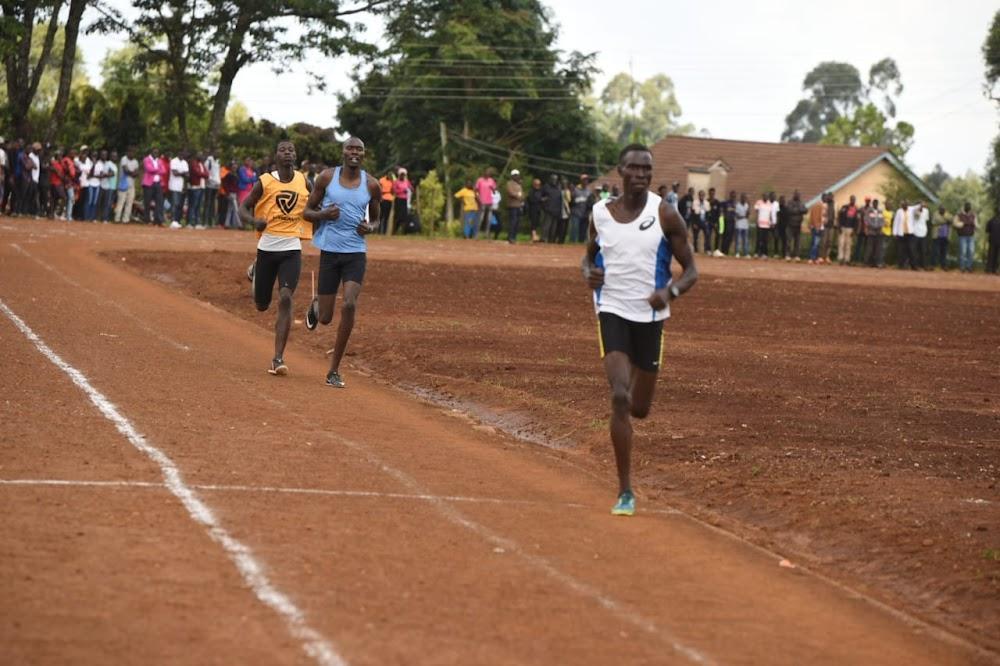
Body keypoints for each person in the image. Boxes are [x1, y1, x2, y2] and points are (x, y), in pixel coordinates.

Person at [581, 143, 697, 516]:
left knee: (640, 408)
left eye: (647, 169)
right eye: (634, 167)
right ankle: (625, 491)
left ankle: (633, 376)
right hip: (612, 309)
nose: (641, 174)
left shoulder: (665, 214)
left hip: (650, 318)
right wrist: (589, 273)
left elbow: (691, 270)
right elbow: (587, 258)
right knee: (619, 396)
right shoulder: (600, 213)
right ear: (620, 171)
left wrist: (670, 292)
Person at [302, 136, 380, 388]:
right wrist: (324, 214)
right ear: (343, 152)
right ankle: (317, 305)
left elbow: (377, 219)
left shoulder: (372, 184)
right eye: (350, 148)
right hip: (329, 251)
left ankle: (334, 370)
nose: (354, 152)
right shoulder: (326, 178)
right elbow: (307, 211)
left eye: (359, 149)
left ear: (363, 154)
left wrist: (370, 227)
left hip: (355, 253)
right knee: (325, 318)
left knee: (349, 304)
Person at [238, 140, 312, 375]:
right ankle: (257, 269)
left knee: (286, 298)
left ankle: (277, 358)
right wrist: (254, 221)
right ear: (276, 156)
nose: (287, 152)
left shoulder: (304, 181)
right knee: (262, 305)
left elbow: (315, 205)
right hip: (267, 248)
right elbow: (242, 208)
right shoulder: (265, 181)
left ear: (295, 156)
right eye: (283, 150)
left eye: (291, 150)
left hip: (291, 248)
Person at [141, 147, 165, 225]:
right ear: (151, 152)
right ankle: (147, 220)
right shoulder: (146, 159)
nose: (156, 154)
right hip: (148, 184)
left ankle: (158, 220)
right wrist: (158, 170)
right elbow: (149, 169)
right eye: (154, 152)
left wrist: (155, 170)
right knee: (147, 202)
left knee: (159, 202)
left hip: (158, 183)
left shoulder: (159, 160)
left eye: (157, 153)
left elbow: (164, 171)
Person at [115, 148, 139, 223]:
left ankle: (125, 220)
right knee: (120, 203)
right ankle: (117, 219)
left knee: (129, 203)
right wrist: (132, 173)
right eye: (130, 152)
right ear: (127, 152)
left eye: (133, 152)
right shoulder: (124, 159)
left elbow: (136, 173)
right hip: (123, 185)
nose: (132, 153)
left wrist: (131, 173)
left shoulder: (135, 161)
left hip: (131, 185)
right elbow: (125, 171)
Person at [837, 195, 860, 265]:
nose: (853, 201)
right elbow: (839, 216)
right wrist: (839, 227)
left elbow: (857, 221)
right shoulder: (844, 207)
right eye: (852, 199)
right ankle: (841, 258)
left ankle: (847, 259)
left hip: (850, 229)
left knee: (848, 245)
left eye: (854, 200)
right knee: (841, 243)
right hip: (843, 228)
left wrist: (855, 230)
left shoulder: (856, 209)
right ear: (850, 200)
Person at [168, 149, 189, 228]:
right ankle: (173, 221)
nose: (184, 154)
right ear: (179, 153)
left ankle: (177, 221)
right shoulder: (173, 161)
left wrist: (181, 173)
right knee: (175, 204)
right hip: (174, 186)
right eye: (182, 153)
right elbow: (175, 173)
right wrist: (183, 173)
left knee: (180, 205)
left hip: (182, 186)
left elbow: (187, 175)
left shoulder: (185, 162)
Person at [955, 202, 977, 273]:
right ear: (964, 207)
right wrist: (963, 223)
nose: (968, 207)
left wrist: (975, 226)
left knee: (971, 252)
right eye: (967, 206)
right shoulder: (959, 215)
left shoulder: (973, 215)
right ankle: (962, 267)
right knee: (963, 252)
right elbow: (955, 223)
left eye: (969, 206)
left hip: (971, 236)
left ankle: (969, 267)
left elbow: (976, 225)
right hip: (962, 236)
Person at [187, 151, 208, 228]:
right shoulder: (194, 163)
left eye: (202, 155)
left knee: (199, 206)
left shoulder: (202, 164)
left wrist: (204, 174)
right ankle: (190, 222)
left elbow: (207, 174)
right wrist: (204, 174)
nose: (202, 156)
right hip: (195, 187)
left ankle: (197, 223)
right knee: (193, 205)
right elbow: (197, 173)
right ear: (197, 156)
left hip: (202, 187)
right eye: (200, 155)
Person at [568, 174, 591, 244]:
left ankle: (580, 245)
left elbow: (590, 203)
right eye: (584, 180)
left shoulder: (588, 191)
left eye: (587, 180)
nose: (586, 181)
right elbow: (570, 201)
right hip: (575, 213)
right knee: (574, 230)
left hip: (584, 214)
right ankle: (572, 244)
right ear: (581, 181)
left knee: (583, 232)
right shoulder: (575, 190)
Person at [785, 190, 806, 261]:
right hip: (790, 225)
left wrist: (797, 210)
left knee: (797, 241)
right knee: (789, 241)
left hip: (798, 225)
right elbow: (789, 210)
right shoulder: (790, 202)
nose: (797, 196)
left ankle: (796, 255)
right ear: (794, 195)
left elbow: (805, 210)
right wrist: (799, 210)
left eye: (798, 195)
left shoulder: (801, 203)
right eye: (796, 194)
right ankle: (788, 255)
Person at [506, 169, 525, 244]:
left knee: (517, 222)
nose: (517, 177)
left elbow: (522, 194)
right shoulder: (509, 183)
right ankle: (510, 237)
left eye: (518, 175)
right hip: (512, 205)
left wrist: (522, 197)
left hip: (519, 205)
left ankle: (514, 237)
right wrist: (517, 195)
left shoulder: (519, 184)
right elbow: (510, 192)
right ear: (512, 176)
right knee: (513, 221)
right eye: (515, 175)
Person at [908, 201, 929, 270]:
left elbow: (926, 220)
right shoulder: (914, 210)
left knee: (924, 250)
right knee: (914, 250)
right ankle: (914, 266)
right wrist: (919, 210)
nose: (922, 206)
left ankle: (924, 265)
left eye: (923, 204)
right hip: (915, 232)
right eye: (921, 205)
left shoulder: (926, 211)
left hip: (923, 232)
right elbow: (916, 217)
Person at [864, 199, 885, 267]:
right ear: (872, 204)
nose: (875, 204)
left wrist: (879, 226)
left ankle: (876, 263)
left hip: (878, 232)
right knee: (869, 248)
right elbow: (866, 220)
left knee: (878, 249)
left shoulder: (880, 211)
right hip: (871, 232)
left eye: (876, 203)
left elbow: (882, 220)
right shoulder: (869, 211)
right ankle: (867, 262)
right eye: (874, 203)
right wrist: (873, 226)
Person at [892, 200, 912, 269]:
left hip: (908, 233)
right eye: (903, 205)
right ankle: (900, 264)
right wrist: (894, 233)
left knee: (907, 249)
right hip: (900, 233)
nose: (904, 206)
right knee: (900, 249)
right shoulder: (899, 211)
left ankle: (906, 264)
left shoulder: (910, 211)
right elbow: (896, 222)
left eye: (905, 205)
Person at [930, 205, 952, 270]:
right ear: (939, 209)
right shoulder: (935, 214)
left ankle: (944, 265)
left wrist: (944, 218)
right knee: (935, 251)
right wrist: (945, 221)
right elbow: (934, 221)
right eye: (941, 209)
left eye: (943, 209)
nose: (942, 210)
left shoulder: (948, 214)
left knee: (944, 252)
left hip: (945, 236)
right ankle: (933, 265)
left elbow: (951, 220)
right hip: (937, 236)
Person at [392, 167, 413, 233]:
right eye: (401, 175)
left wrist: (410, 189)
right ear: (399, 175)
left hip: (405, 200)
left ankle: (404, 231)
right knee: (398, 215)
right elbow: (394, 191)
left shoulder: (407, 182)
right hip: (398, 200)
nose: (402, 176)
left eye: (404, 175)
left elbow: (411, 188)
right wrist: (402, 191)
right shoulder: (396, 182)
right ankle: (394, 230)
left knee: (404, 216)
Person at [203, 147, 221, 226]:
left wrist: (219, 182)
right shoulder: (208, 161)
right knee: (207, 203)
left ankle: (211, 221)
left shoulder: (218, 161)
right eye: (217, 152)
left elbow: (218, 173)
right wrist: (212, 180)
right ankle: (205, 221)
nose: (218, 154)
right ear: (213, 153)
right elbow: (207, 172)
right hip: (209, 184)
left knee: (212, 204)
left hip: (216, 185)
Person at [807, 194, 826, 264]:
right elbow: (814, 217)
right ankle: (812, 258)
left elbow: (822, 217)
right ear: (822, 198)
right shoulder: (818, 205)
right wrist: (816, 226)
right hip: (817, 227)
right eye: (825, 197)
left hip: (821, 227)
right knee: (815, 243)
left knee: (817, 243)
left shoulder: (824, 206)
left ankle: (816, 258)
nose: (827, 199)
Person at [753, 192, 772, 258]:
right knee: (758, 239)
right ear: (762, 196)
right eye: (764, 196)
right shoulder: (759, 202)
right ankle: (756, 253)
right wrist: (756, 220)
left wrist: (771, 222)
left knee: (765, 240)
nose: (765, 197)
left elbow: (770, 214)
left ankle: (764, 253)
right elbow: (756, 212)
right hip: (760, 224)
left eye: (766, 196)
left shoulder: (770, 204)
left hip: (767, 225)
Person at [526, 177, 543, 242]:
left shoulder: (540, 191)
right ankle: (533, 236)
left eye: (539, 184)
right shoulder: (531, 191)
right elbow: (531, 200)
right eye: (536, 184)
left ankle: (534, 236)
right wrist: (540, 199)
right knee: (533, 222)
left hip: (538, 209)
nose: (538, 185)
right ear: (533, 184)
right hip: (532, 209)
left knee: (536, 223)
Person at [734, 192, 750, 258]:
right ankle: (737, 252)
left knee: (745, 240)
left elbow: (748, 215)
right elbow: (737, 216)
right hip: (739, 225)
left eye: (745, 198)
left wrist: (749, 207)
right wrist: (744, 216)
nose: (744, 199)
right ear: (741, 198)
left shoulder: (747, 205)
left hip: (745, 225)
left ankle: (746, 253)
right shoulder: (737, 205)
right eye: (743, 197)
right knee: (738, 240)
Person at [378, 169, 394, 234]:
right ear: (386, 174)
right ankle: (379, 231)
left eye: (391, 175)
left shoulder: (392, 181)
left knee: (387, 216)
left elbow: (393, 191)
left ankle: (384, 232)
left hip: (389, 199)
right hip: (383, 199)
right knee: (381, 215)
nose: (390, 175)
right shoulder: (381, 180)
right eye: (389, 174)